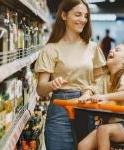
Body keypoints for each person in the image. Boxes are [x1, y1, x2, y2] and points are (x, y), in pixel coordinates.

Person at [34, 0, 106, 149]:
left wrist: (89, 91)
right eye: (78, 15)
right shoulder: (51, 48)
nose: (83, 20)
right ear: (64, 15)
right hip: (60, 109)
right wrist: (51, 84)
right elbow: (40, 89)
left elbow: (101, 80)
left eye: (85, 16)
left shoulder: (92, 47)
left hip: (88, 108)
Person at [78, 44, 124, 150]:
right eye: (112, 48)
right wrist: (85, 95)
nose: (112, 50)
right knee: (82, 146)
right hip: (112, 124)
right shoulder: (104, 78)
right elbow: (92, 88)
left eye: (117, 50)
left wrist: (104, 97)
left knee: (103, 130)